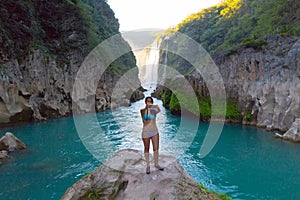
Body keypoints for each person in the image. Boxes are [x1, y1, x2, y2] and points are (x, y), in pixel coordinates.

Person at [140, 96, 164, 174]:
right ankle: (148, 166)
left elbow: (159, 109)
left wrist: (151, 107)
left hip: (154, 132)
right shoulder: (142, 111)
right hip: (145, 132)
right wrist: (147, 110)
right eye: (147, 101)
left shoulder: (154, 110)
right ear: (145, 102)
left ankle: (156, 164)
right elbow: (145, 122)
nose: (149, 103)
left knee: (156, 148)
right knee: (146, 148)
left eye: (150, 101)